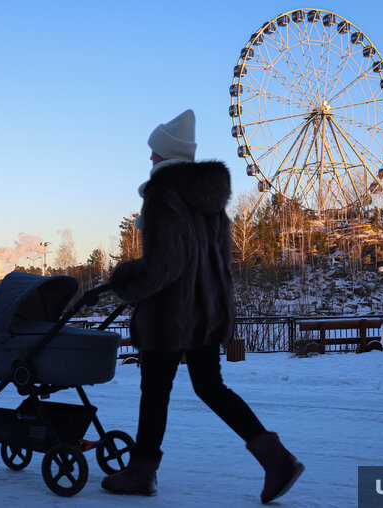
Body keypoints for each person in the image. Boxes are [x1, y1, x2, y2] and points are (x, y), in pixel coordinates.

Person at [101, 109, 304, 503]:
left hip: (171, 314)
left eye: (153, 154)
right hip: (207, 310)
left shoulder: (164, 196)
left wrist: (124, 279)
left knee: (155, 389)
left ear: (165, 156)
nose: (150, 160)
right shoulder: (210, 202)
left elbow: (165, 265)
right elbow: (218, 259)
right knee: (210, 386)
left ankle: (142, 472)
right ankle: (276, 459)